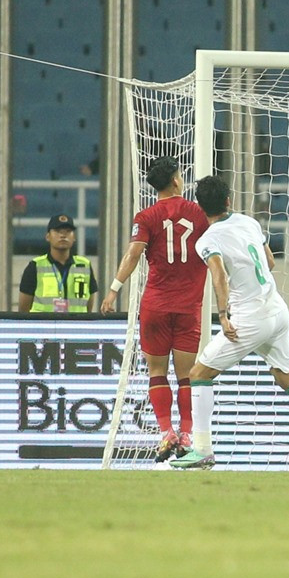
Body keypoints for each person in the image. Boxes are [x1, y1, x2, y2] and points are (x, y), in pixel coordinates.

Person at [172, 175, 289, 469]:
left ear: (200, 207)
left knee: (199, 373)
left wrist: (223, 315)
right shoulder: (249, 222)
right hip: (277, 310)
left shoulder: (207, 240)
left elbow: (219, 275)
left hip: (250, 318)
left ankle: (203, 450)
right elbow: (269, 262)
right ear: (228, 200)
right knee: (286, 377)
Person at [100, 156, 210, 462]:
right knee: (187, 375)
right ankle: (186, 435)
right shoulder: (199, 214)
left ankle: (166, 433)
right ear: (175, 180)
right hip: (188, 307)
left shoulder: (146, 216)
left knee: (157, 371)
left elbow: (133, 254)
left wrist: (114, 289)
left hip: (156, 306)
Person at [18, 214, 98, 313]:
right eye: (57, 231)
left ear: (74, 237)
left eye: (68, 231)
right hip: (44, 323)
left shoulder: (85, 266)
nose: (63, 235)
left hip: (76, 323)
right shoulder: (35, 266)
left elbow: (88, 307)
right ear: (48, 236)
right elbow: (23, 310)